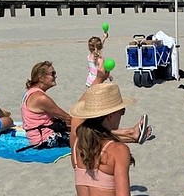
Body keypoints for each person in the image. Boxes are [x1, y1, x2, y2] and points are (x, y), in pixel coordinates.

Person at [22, 61, 152, 148]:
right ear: (41, 78)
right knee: (87, 133)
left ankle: (130, 133)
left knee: (86, 126)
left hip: (46, 131)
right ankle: (131, 135)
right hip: (43, 139)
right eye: (52, 74)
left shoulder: (32, 93)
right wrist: (98, 80)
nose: (55, 76)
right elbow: (71, 118)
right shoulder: (40, 98)